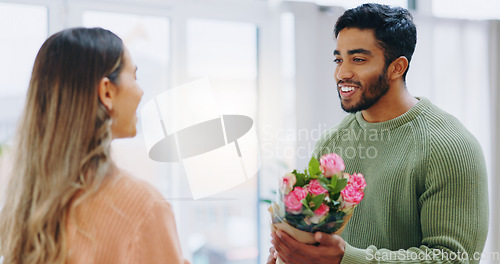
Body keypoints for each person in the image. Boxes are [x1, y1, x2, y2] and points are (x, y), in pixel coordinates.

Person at [269, 3, 488, 264]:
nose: (342, 73)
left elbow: (455, 259)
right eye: (339, 59)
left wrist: (346, 259)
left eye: (358, 59)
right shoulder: (331, 144)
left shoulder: (451, 146)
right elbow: (318, 240)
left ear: (397, 67)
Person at [0, 27, 189, 264]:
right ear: (106, 91)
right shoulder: (144, 208)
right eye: (135, 76)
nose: (141, 92)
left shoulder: (23, 209)